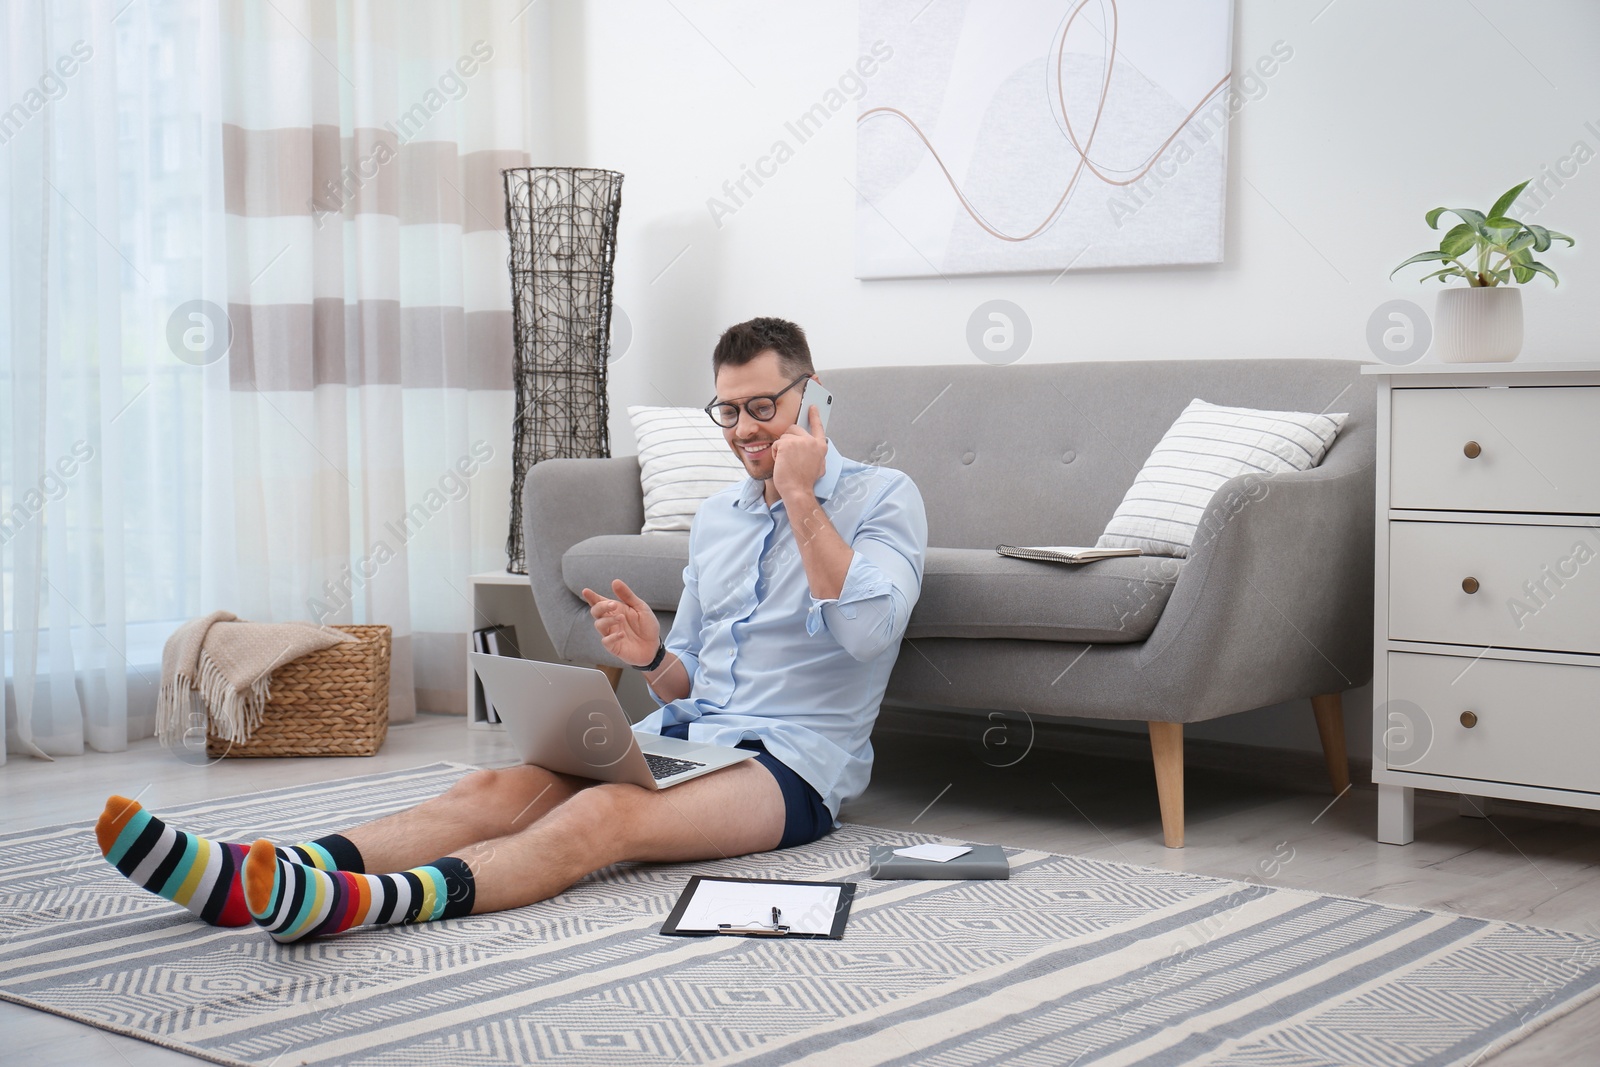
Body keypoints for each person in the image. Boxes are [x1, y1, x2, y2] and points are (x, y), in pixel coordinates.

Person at [96, 316, 928, 942]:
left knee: (604, 815)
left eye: (764, 407)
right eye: (729, 411)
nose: (746, 430)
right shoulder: (716, 520)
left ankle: (358, 905)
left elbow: (863, 635)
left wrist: (802, 498)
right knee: (489, 789)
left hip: (791, 769)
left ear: (810, 396)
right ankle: (253, 875)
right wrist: (654, 657)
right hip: (691, 734)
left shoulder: (883, 498)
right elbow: (693, 686)